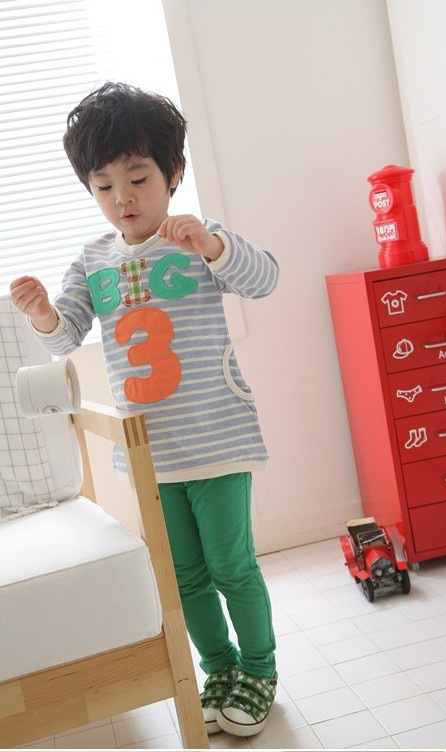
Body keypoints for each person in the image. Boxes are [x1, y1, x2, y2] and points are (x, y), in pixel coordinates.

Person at [9, 82, 279, 738]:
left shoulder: (198, 239)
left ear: (173, 173)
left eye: (137, 178)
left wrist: (213, 247)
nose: (122, 198)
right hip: (149, 452)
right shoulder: (91, 261)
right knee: (183, 574)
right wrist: (43, 315)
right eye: (104, 186)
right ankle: (219, 669)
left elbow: (265, 278)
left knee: (232, 566)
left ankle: (260, 670)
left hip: (216, 439)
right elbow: (66, 335)